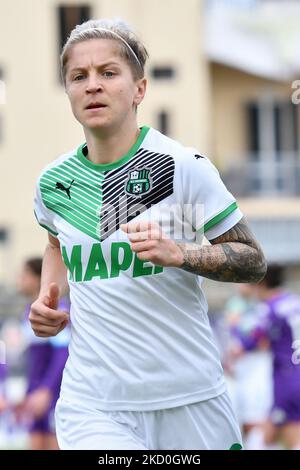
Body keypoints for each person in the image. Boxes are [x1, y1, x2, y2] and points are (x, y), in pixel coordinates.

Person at [29, 18, 267, 450]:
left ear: (139, 89)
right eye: (78, 76)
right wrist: (49, 297)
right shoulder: (53, 183)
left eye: (108, 73)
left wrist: (180, 254)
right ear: (68, 91)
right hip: (93, 402)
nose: (92, 86)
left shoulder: (182, 167)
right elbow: (55, 246)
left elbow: (252, 260)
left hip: (189, 398)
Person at [238, 266, 300, 450]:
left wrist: (235, 349)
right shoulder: (295, 301)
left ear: (261, 284)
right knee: (272, 430)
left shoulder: (268, 308)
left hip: (287, 377)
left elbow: (251, 342)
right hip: (295, 372)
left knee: (289, 434)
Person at [15, 257, 70, 450]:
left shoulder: (57, 310)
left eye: (24, 275)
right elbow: (35, 360)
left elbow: (62, 355)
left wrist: (46, 390)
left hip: (54, 395)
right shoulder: (28, 312)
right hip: (36, 394)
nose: (19, 280)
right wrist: (29, 392)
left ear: (39, 278)